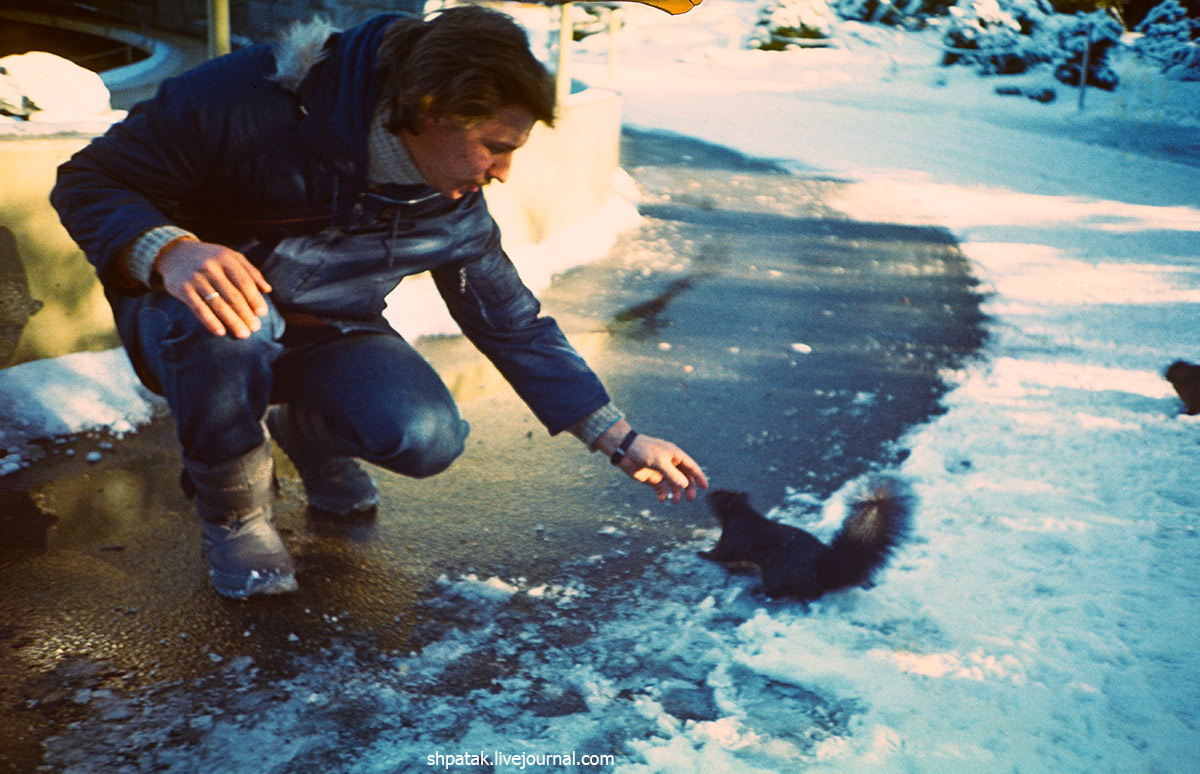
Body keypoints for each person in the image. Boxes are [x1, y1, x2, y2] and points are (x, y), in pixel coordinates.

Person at [51, 6, 708, 599]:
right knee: (235, 318)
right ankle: (236, 516)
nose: (504, 171)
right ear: (429, 111)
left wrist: (621, 440)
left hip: (330, 328)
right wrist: (167, 251)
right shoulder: (245, 101)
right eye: (497, 147)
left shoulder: (453, 199)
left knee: (428, 438)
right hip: (198, 319)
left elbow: (512, 322)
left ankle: (301, 424)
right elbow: (88, 179)